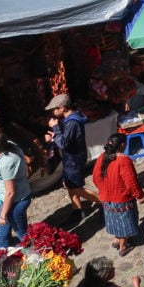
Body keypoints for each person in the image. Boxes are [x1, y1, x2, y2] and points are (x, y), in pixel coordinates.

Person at [45, 93, 100, 222]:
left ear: (63, 108)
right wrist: (54, 136)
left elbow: (63, 143)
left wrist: (55, 128)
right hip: (71, 157)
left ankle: (105, 202)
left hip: (74, 159)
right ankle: (77, 210)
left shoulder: (72, 122)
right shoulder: (72, 120)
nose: (53, 112)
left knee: (77, 188)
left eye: (54, 109)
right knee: (70, 185)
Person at [92, 133, 144, 257]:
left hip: (107, 199)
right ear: (122, 145)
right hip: (122, 199)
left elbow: (95, 177)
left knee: (114, 221)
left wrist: (103, 189)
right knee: (124, 223)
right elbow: (131, 181)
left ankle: (116, 239)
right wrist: (139, 195)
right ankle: (123, 246)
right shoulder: (124, 160)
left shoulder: (102, 157)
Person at [0, 134, 30, 249]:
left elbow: (10, 192)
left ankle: (36, 255)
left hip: (14, 202)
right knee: (1, 235)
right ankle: (2, 259)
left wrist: (2, 215)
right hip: (13, 199)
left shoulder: (6, 163)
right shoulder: (11, 147)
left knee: (22, 234)